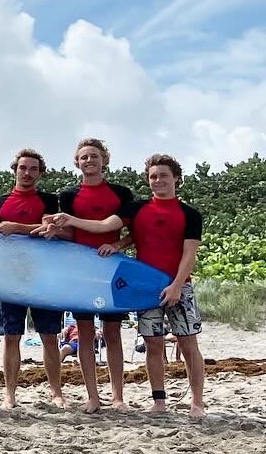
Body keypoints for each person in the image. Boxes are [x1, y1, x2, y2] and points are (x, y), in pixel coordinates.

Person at [46, 153, 206, 419]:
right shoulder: (137, 208)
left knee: (188, 344)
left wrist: (177, 285)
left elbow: (189, 254)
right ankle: (158, 401)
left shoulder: (190, 214)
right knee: (153, 345)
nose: (158, 181)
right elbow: (105, 225)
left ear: (176, 178)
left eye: (164, 175)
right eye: (153, 176)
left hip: (179, 286)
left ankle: (197, 403)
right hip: (145, 288)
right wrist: (80, 224)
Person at [47, 137, 136, 413]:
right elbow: (70, 234)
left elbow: (126, 229)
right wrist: (50, 230)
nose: (89, 161)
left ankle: (118, 397)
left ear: (104, 160)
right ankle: (93, 397)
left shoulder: (121, 193)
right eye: (84, 157)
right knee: (84, 333)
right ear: (77, 162)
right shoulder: (68, 195)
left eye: (94, 156)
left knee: (112, 333)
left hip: (110, 268)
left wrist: (117, 245)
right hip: (79, 270)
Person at [0, 148, 67, 409]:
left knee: (49, 336)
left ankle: (56, 392)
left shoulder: (49, 201)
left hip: (44, 276)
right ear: (15, 169)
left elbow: (47, 229)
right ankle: (9, 394)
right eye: (23, 168)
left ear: (40, 173)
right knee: (11, 337)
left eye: (33, 169)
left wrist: (15, 228)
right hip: (9, 278)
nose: (27, 173)